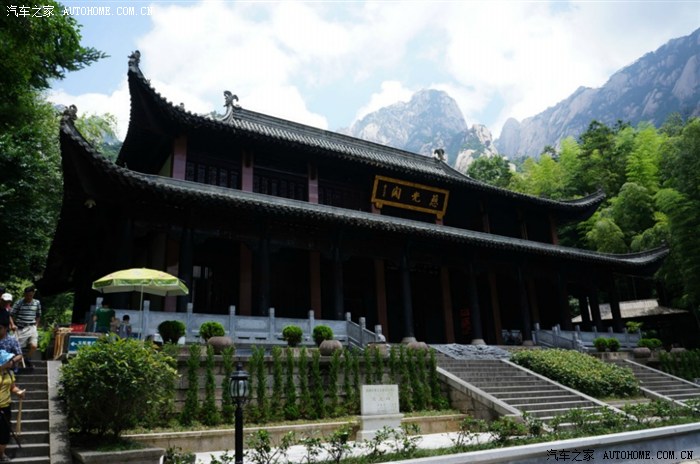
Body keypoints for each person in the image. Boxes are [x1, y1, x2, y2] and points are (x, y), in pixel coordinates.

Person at [0, 348, 25, 462]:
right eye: (9, 360)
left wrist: (18, 392)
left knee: (4, 433)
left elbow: (12, 387)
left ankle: (1, 454)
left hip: (5, 407)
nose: (12, 361)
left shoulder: (10, 373)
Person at [10, 286, 41, 368]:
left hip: (32, 327)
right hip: (21, 327)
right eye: (27, 295)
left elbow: (38, 315)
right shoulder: (19, 302)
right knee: (17, 347)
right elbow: (11, 315)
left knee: (34, 346)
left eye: (30, 295)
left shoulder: (37, 302)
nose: (28, 297)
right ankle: (17, 361)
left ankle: (26, 358)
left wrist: (36, 325)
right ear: (24, 294)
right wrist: (12, 324)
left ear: (33, 294)